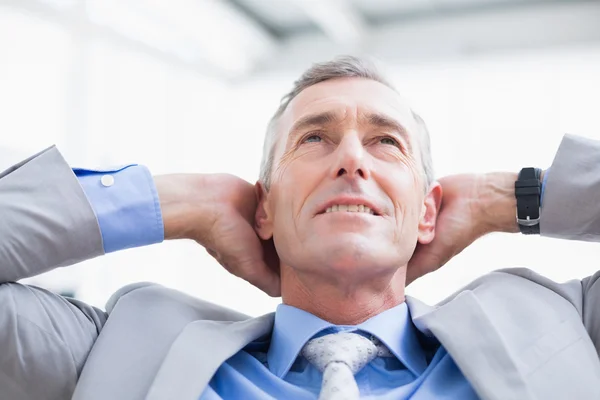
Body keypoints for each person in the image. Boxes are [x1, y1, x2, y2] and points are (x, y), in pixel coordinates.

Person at [1, 56, 599, 400]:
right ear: (263, 207)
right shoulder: (119, 345)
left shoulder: (563, 321)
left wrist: (514, 198)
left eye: (385, 142)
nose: (351, 159)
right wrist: (183, 202)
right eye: (313, 138)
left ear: (426, 211)